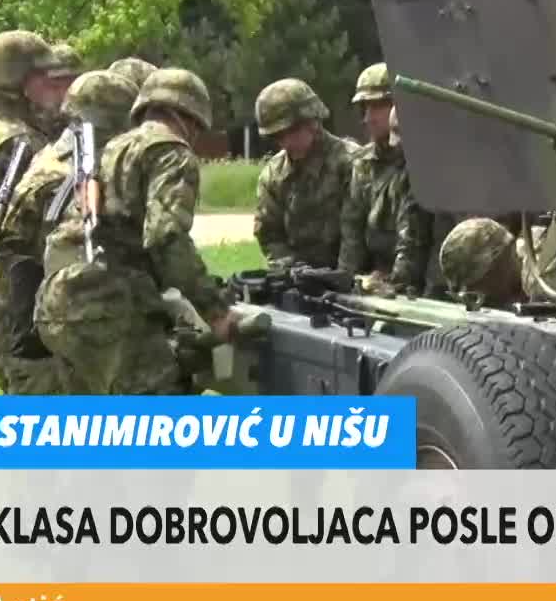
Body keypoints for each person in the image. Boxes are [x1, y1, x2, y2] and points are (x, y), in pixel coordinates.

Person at [33, 67, 236, 395]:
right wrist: (216, 312)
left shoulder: (112, 148)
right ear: (191, 117)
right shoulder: (171, 152)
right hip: (107, 306)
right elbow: (166, 237)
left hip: (56, 303)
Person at [0, 30, 79, 393]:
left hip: (9, 290)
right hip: (15, 298)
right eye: (42, 75)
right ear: (19, 83)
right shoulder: (16, 143)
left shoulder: (0, 129)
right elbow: (42, 226)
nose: (51, 83)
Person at [337, 64, 430, 295]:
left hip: (415, 286)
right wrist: (345, 284)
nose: (368, 118)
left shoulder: (421, 163)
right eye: (365, 108)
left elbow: (412, 241)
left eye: (378, 106)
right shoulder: (362, 163)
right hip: (374, 280)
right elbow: (351, 235)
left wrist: (392, 286)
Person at [251, 77, 357, 271]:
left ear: (312, 121)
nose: (285, 143)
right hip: (298, 275)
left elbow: (355, 235)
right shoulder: (274, 175)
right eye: (277, 136)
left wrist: (340, 278)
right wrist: (293, 271)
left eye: (290, 131)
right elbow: (269, 234)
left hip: (350, 275)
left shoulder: (352, 163)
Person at [435, 214, 556, 317]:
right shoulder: (532, 239)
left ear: (492, 267)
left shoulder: (542, 281)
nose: (483, 299)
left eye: (477, 290)